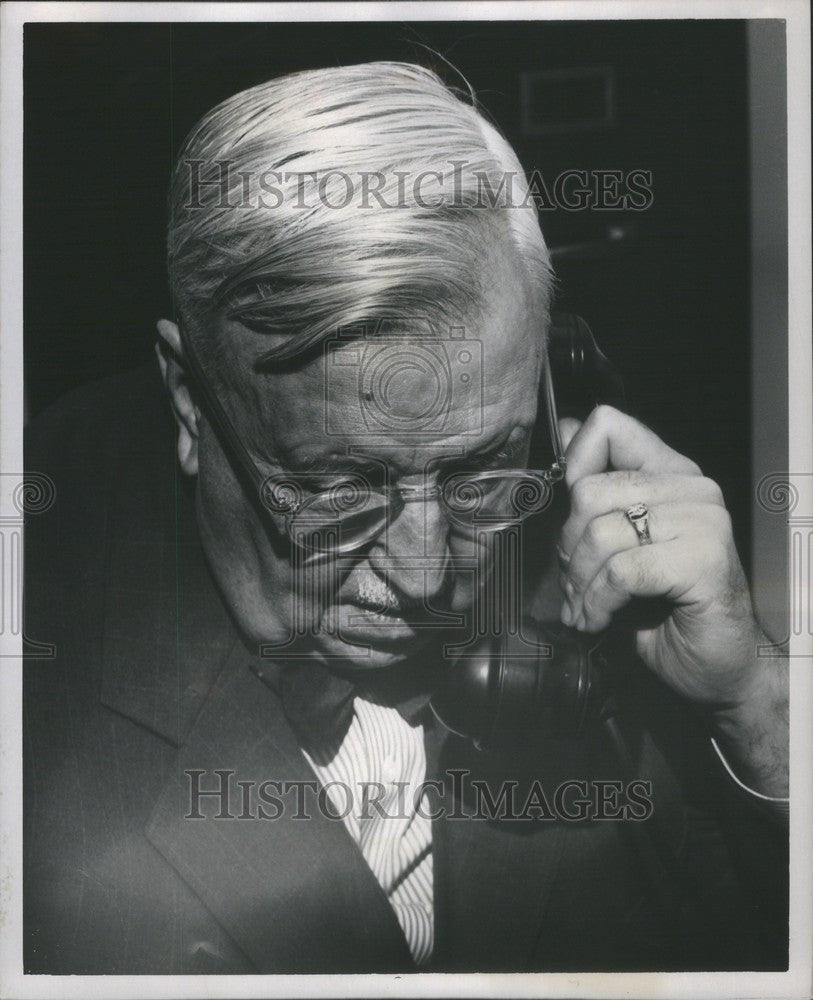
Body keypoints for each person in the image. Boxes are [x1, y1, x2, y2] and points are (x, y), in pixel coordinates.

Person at [23, 62, 788, 975]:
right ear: (191, 403)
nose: (426, 575)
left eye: (480, 467)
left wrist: (757, 709)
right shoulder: (34, 740)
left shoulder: (601, 589)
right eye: (339, 487)